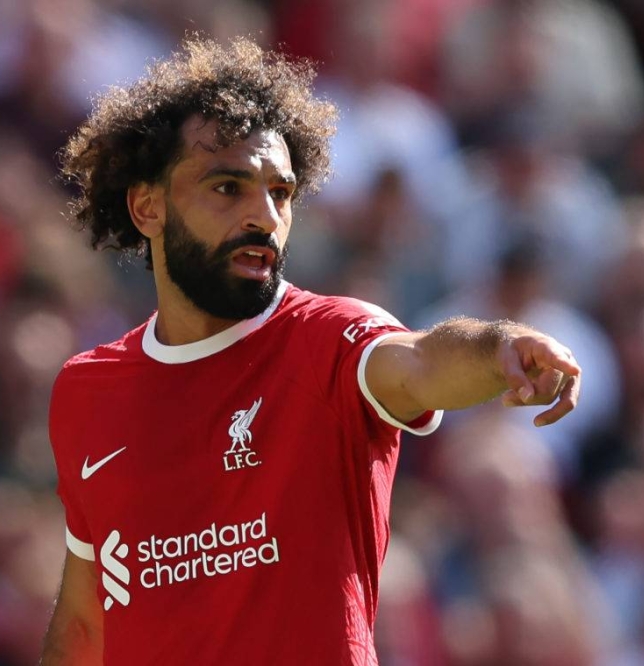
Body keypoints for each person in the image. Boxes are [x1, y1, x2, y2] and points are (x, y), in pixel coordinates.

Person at [40, 36, 581, 666]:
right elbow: (84, 624)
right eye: (227, 188)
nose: (264, 215)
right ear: (147, 205)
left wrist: (500, 347)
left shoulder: (330, 339)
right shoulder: (86, 389)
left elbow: (424, 360)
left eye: (281, 192)